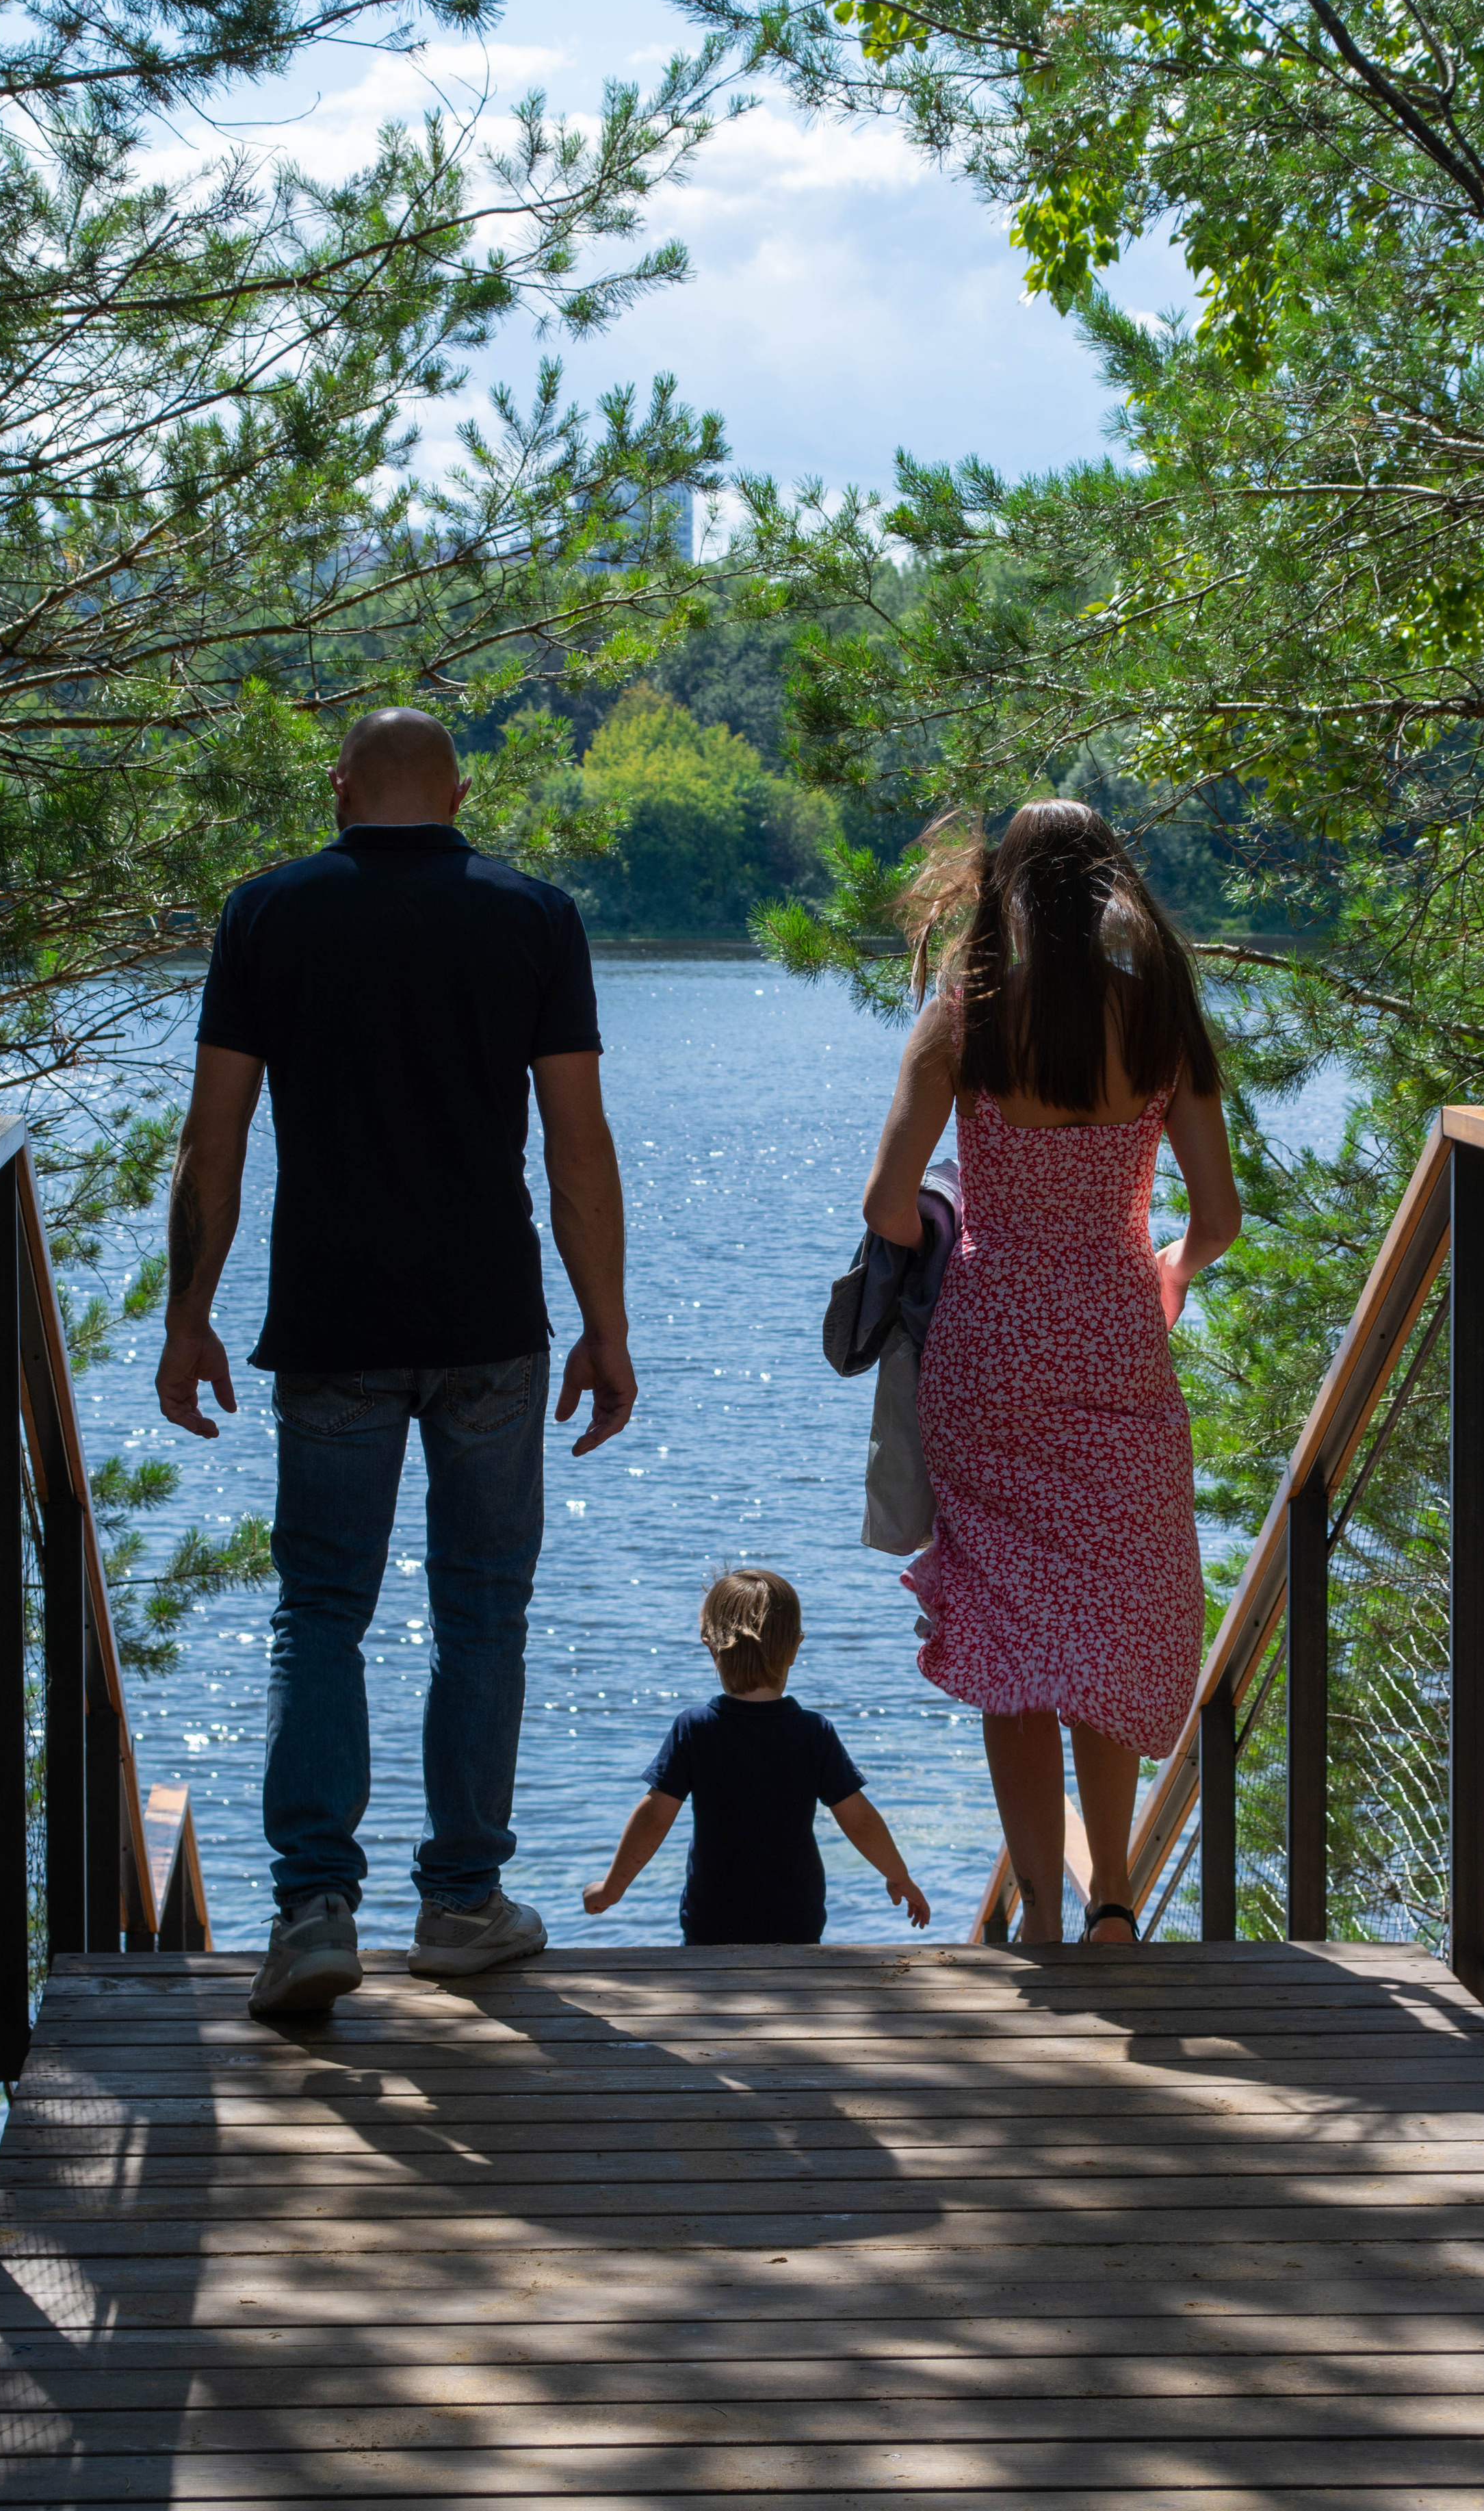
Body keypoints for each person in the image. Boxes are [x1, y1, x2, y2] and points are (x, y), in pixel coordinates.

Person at [155, 707, 638, 2017]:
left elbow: (215, 1141)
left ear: (338, 790)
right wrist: (608, 1323)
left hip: (330, 1321)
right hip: (492, 1320)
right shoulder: (535, 917)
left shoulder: (267, 914)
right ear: (459, 795)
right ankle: (463, 1904)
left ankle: (315, 1908)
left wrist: (185, 1313)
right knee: (484, 1611)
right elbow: (576, 1144)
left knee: (321, 1612)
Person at [862, 802, 1240, 1945]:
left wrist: (948, 1235)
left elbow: (887, 1207)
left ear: (1007, 892)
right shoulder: (1162, 1020)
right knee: (1108, 1617)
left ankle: (1036, 1907)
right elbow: (1216, 1219)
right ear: (1111, 884)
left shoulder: (967, 1019)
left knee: (1009, 1625)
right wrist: (1162, 1275)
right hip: (1118, 1341)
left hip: (989, 1351)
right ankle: (1114, 1898)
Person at [583, 1568, 931, 1941]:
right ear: (796, 1648)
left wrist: (612, 1888)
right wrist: (899, 1876)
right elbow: (859, 1820)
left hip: (713, 1919)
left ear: (710, 1645)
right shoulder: (814, 1732)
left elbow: (654, 1818)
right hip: (796, 1918)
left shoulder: (695, 1729)